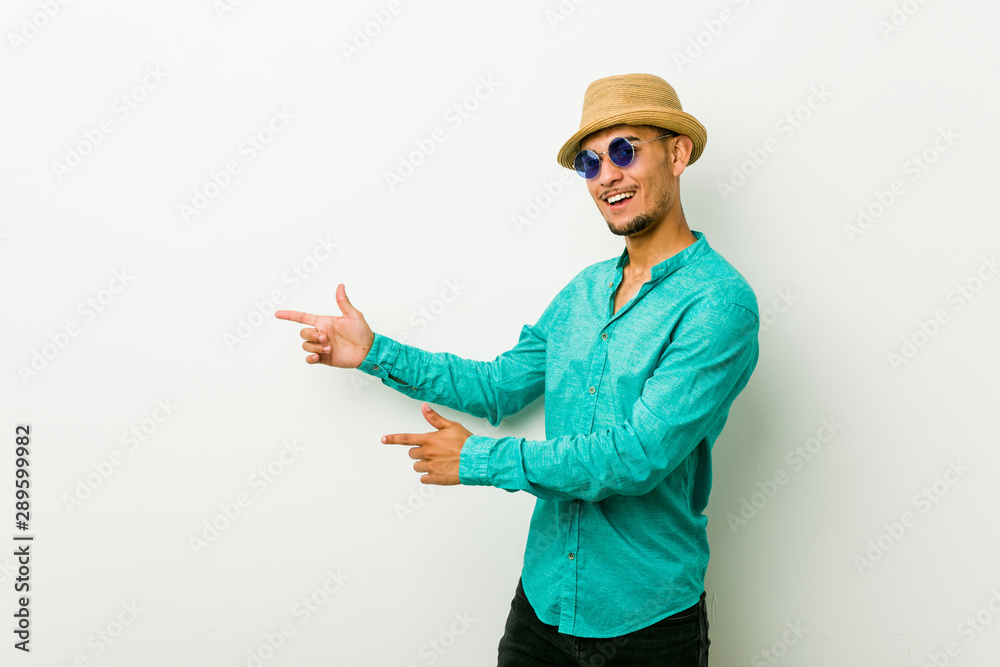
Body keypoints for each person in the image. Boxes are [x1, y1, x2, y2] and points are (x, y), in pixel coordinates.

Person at [275, 72, 759, 666]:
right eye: (591, 162)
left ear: (678, 153)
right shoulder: (582, 294)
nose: (608, 175)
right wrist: (375, 352)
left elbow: (636, 457)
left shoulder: (719, 304)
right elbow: (500, 387)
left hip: (648, 625)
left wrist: (478, 458)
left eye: (626, 151)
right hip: (543, 605)